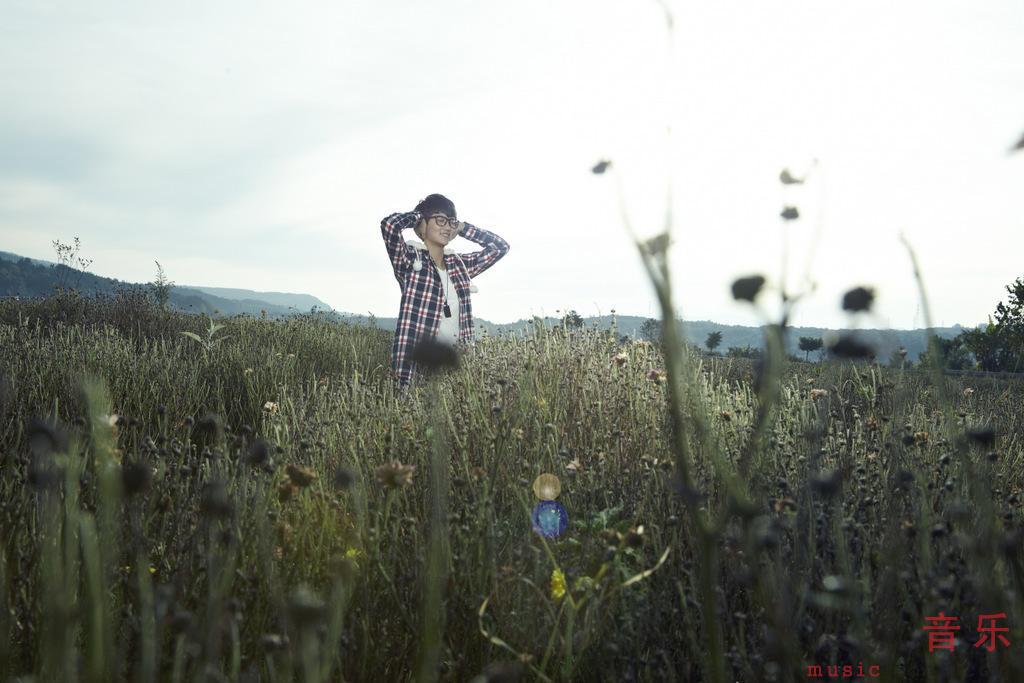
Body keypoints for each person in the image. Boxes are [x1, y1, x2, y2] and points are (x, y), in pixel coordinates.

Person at [380, 193, 510, 395]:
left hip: (456, 365)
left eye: (451, 222)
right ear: (423, 225)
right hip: (417, 366)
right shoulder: (409, 261)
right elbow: (390, 225)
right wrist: (417, 217)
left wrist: (464, 228)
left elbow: (500, 247)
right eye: (440, 220)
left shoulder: (459, 265)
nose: (447, 227)